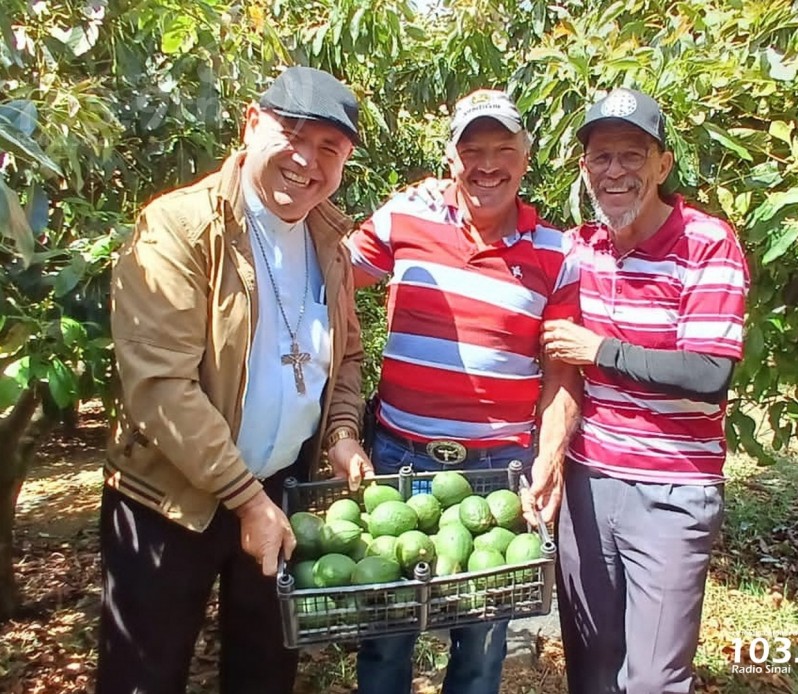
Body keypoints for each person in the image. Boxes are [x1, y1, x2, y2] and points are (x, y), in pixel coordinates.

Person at [98, 66, 371, 694]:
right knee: (145, 673)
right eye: (292, 133)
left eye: (330, 146)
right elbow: (160, 387)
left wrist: (341, 431)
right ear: (251, 124)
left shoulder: (330, 238)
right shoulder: (180, 227)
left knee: (264, 668)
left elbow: (346, 354)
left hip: (280, 489)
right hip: (171, 499)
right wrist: (245, 499)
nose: (307, 160)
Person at [344, 89, 581, 694]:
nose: (487, 164)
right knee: (386, 631)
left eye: (503, 148)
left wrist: (549, 457)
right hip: (399, 458)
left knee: (481, 641)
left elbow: (561, 373)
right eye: (471, 149)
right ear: (451, 157)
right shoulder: (404, 218)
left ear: (526, 160)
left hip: (498, 468)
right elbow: (325, 275)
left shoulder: (558, 252)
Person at [538, 88, 750, 693]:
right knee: (592, 666)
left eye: (633, 155)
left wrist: (598, 351)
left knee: (655, 678)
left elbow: (709, 374)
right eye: (601, 157)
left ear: (663, 164)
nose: (616, 171)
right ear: (585, 169)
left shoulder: (706, 242)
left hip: (673, 488)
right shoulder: (581, 249)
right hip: (589, 483)